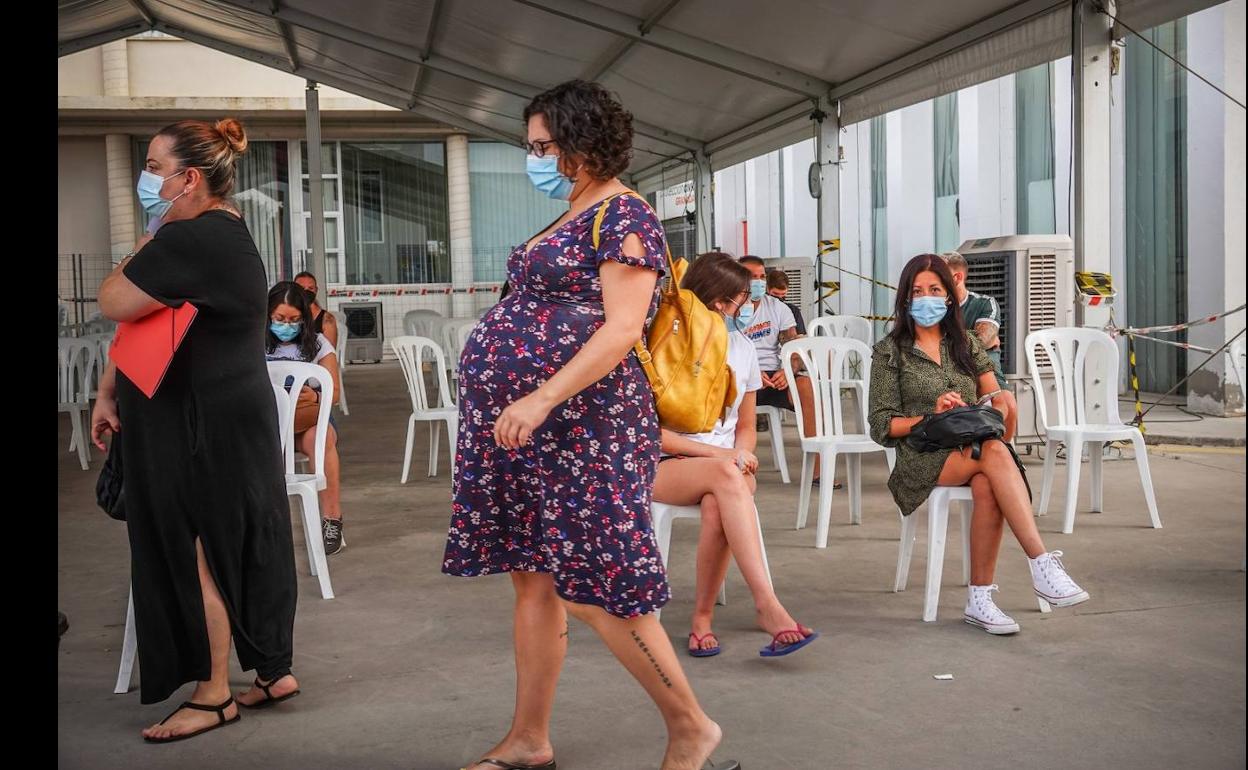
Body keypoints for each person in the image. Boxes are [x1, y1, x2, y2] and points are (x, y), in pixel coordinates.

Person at [443, 80, 738, 770]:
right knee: (534, 579)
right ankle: (528, 739)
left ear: (583, 144)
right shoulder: (576, 212)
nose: (536, 159)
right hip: (534, 431)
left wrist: (539, 398)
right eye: (531, 147)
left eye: (545, 146)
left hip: (583, 427)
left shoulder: (625, 214)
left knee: (599, 584)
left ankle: (692, 725)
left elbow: (620, 331)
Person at [92, 118, 300, 741]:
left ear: (189, 178)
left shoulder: (188, 241)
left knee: (193, 547)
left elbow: (113, 301)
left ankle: (213, 696)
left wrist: (142, 247)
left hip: (200, 422)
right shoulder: (222, 231)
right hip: (223, 413)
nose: (146, 177)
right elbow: (150, 329)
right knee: (242, 539)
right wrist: (108, 391)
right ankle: (272, 671)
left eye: (155, 166)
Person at [867, 254, 1090, 635]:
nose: (926, 298)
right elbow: (881, 424)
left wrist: (1003, 403)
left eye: (934, 290)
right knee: (994, 454)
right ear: (905, 299)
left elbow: (993, 398)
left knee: (989, 479)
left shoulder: (967, 343)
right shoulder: (890, 350)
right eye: (917, 291)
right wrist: (932, 415)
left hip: (974, 448)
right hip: (921, 454)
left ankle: (980, 600)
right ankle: (1040, 562)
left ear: (950, 296)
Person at [654, 253, 818, 658]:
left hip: (723, 466)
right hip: (665, 466)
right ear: (706, 299)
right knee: (726, 480)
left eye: (738, 304)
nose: (734, 312)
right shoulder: (661, 343)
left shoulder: (741, 349)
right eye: (727, 303)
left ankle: (702, 620)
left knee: (718, 503)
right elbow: (655, 437)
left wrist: (741, 452)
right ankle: (768, 606)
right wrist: (721, 456)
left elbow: (745, 426)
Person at [265, 281, 346, 555]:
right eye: (279, 319)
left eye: (294, 320)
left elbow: (334, 393)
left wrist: (315, 397)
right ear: (267, 316)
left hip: (307, 420)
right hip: (268, 422)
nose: (286, 326)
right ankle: (260, 525)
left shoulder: (318, 344)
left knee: (321, 440)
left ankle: (332, 519)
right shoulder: (253, 342)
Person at [739, 255, 825, 485]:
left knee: (807, 386)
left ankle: (818, 471)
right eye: (751, 277)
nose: (757, 282)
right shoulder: (728, 309)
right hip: (740, 377)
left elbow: (793, 345)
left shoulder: (777, 308)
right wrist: (748, 373)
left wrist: (789, 370)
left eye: (761, 277)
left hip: (774, 376)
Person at [940, 251, 1017, 435]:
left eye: (938, 274)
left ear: (957, 277)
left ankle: (1004, 452)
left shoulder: (984, 303)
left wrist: (948, 340)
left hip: (982, 368)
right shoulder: (934, 306)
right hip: (944, 370)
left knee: (1009, 406)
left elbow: (982, 340)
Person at [293, 270, 339, 349]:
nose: (306, 291)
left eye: (310, 288)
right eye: (301, 288)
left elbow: (330, 353)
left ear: (316, 290)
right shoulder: (287, 316)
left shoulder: (327, 320)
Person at [765, 268, 806, 334]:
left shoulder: (793, 310)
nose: (779, 297)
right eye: (775, 294)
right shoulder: (759, 309)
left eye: (783, 294)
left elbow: (800, 337)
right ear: (767, 289)